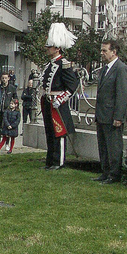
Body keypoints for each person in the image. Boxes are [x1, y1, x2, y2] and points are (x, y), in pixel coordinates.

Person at [38, 24, 81, 170]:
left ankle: (59, 161)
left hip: (58, 103)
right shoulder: (49, 64)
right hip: (48, 102)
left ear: (57, 48)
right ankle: (50, 160)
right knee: (50, 132)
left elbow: (72, 86)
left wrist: (60, 99)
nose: (47, 49)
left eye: (49, 47)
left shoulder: (64, 64)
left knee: (59, 132)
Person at [94, 39, 127, 184]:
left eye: (105, 51)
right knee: (103, 146)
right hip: (102, 115)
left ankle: (114, 174)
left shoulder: (121, 68)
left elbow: (122, 94)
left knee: (113, 147)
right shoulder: (104, 69)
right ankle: (105, 172)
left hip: (112, 117)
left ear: (114, 52)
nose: (102, 53)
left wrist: (118, 116)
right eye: (101, 50)